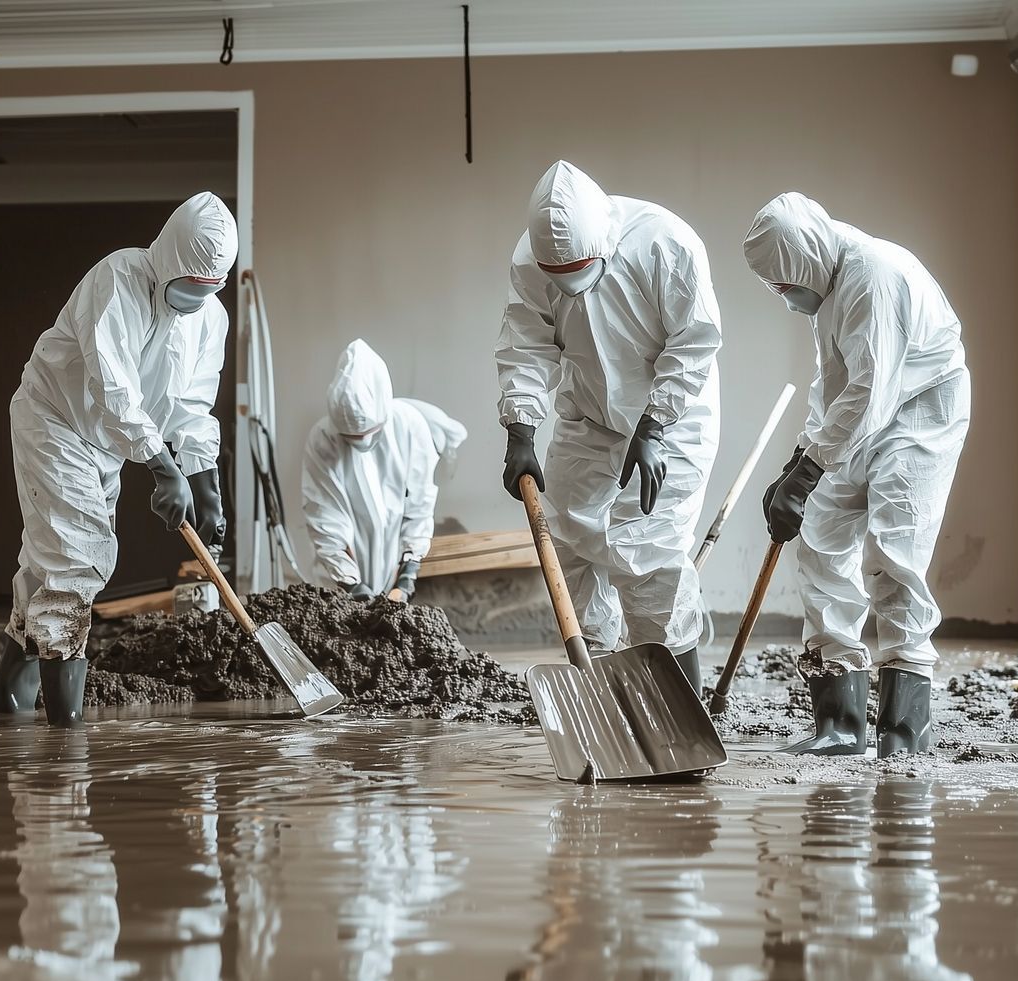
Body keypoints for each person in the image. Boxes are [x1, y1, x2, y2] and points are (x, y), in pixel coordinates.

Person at [0, 192, 237, 723]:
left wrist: (204, 480)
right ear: (167, 259)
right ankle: (65, 737)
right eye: (189, 285)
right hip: (55, 421)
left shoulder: (209, 319)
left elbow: (193, 406)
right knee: (78, 559)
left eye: (208, 288)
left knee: (49, 563)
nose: (197, 297)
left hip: (106, 442)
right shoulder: (119, 278)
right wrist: (159, 464)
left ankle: (8, 707)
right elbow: (114, 385)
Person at [744, 192, 970, 758]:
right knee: (820, 543)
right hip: (862, 418)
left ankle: (903, 731)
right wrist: (798, 464)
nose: (784, 297)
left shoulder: (874, 275)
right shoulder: (828, 284)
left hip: (919, 412)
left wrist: (810, 468)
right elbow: (834, 386)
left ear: (805, 262)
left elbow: (871, 391)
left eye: (783, 285)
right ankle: (840, 724)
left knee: (893, 556)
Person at [495, 160, 722, 688]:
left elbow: (694, 342)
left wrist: (653, 427)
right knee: (568, 536)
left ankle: (675, 695)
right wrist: (521, 430)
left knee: (649, 551)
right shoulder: (531, 261)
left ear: (604, 244)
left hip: (673, 417)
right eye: (560, 278)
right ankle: (597, 670)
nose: (572, 288)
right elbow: (525, 343)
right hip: (589, 413)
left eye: (580, 271)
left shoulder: (665, 243)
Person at [301, 339, 467, 602]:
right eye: (352, 439)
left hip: (392, 564)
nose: (362, 444)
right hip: (336, 578)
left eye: (369, 435)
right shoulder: (322, 439)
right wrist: (350, 583)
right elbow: (325, 517)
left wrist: (407, 573)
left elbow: (418, 506)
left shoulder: (410, 427)